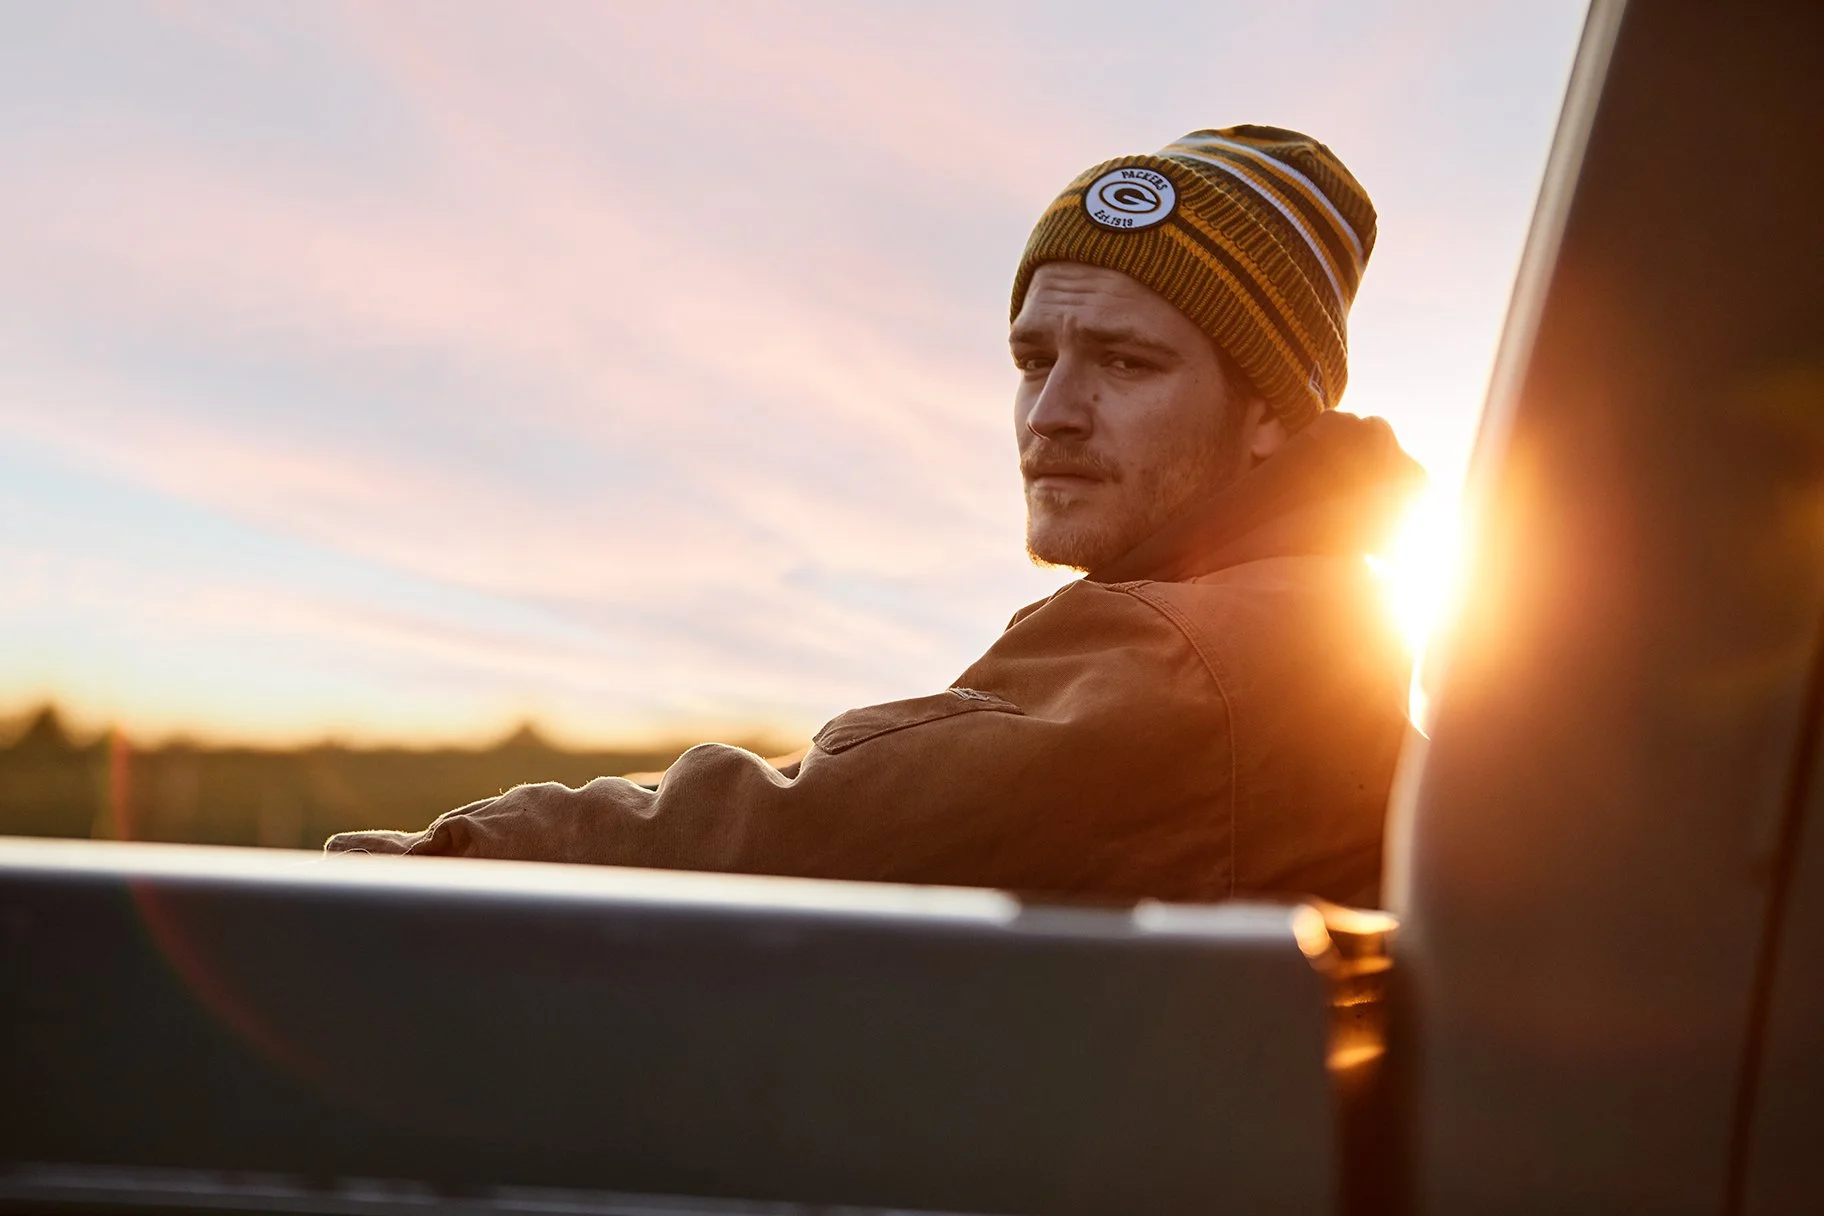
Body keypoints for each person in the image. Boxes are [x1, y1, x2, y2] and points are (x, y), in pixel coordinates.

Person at [327, 125, 1424, 908]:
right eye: (1032, 360)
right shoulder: (1312, 625)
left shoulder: (1207, 659)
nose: (1052, 412)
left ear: (1272, 414)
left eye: (1126, 363)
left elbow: (786, 831)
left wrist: (389, 878)